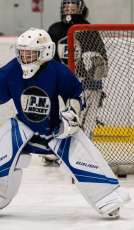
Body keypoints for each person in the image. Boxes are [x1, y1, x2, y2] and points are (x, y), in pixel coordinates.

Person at [0, 28, 130, 218]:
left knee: (81, 151)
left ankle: (107, 197)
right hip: (24, 126)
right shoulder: (12, 70)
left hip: (55, 128)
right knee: (3, 145)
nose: (24, 57)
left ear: (45, 52)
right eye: (22, 52)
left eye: (30, 53)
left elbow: (75, 94)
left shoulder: (57, 71)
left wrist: (72, 115)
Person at [45, 0, 108, 166]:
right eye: (66, 6)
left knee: (85, 120)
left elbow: (101, 59)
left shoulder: (88, 29)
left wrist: (94, 76)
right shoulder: (55, 29)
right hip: (63, 81)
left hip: (87, 83)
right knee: (64, 116)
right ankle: (61, 148)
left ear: (81, 9)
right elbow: (48, 56)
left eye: (72, 7)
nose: (69, 9)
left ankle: (85, 150)